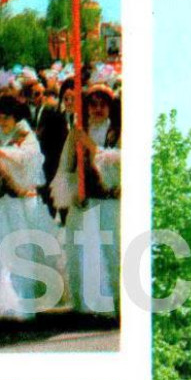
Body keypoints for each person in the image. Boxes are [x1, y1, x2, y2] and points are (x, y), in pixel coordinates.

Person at [0, 91, 62, 321]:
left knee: (21, 252)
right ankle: (2, 305)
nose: (1, 122)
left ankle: (23, 304)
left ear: (15, 117)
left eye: (6, 117)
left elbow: (26, 157)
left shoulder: (25, 136)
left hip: (22, 205)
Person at [53, 83, 121, 315]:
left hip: (111, 202)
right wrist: (73, 192)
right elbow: (66, 166)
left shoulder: (119, 132)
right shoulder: (77, 132)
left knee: (112, 252)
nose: (98, 109)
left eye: (103, 104)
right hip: (85, 202)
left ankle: (116, 303)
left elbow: (118, 159)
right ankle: (90, 305)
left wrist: (90, 145)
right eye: (93, 104)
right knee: (84, 252)